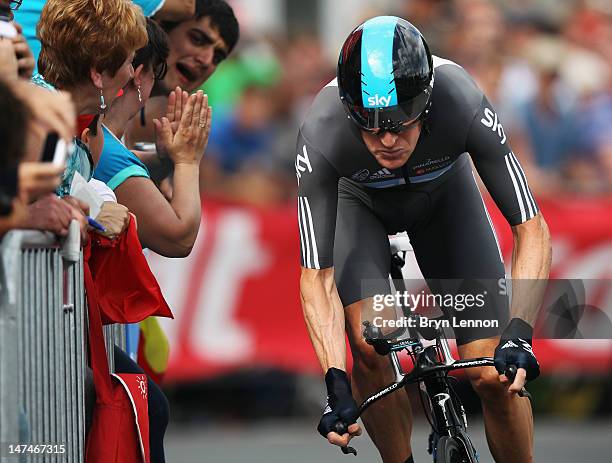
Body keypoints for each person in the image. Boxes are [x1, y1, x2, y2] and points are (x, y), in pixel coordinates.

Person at [297, 16, 552, 463]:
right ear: (348, 109)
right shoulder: (321, 131)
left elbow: (531, 227)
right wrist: (335, 380)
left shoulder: (461, 98)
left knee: (494, 373)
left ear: (427, 102)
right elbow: (316, 277)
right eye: (371, 127)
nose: (389, 140)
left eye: (401, 122)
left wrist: (521, 332)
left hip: (444, 197)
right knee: (369, 343)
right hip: (359, 205)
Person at [124, 0, 239, 147]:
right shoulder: (98, 96)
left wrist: (163, 161)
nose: (206, 61)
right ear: (160, 24)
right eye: (197, 39)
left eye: (217, 57)